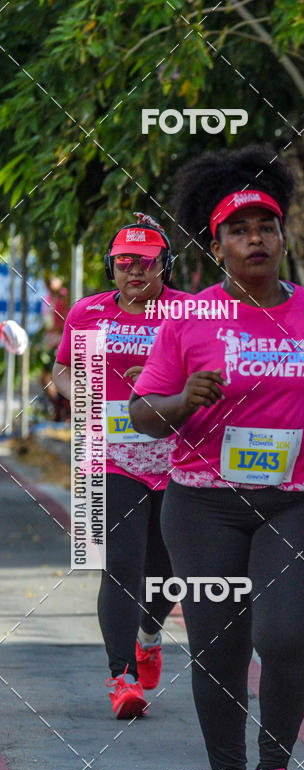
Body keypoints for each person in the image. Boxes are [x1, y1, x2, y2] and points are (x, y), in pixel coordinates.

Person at [130, 146, 304, 770]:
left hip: (296, 501)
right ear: (217, 246)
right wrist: (182, 399)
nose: (255, 239)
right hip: (202, 504)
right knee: (220, 644)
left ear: (283, 235)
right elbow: (145, 414)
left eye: (266, 226)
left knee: (288, 635)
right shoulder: (187, 320)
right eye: (239, 230)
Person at [53, 213, 191, 718]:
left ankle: (150, 633)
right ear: (111, 267)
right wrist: (80, 397)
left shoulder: (191, 313)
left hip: (179, 458)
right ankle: (121, 678)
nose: (135, 272)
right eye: (124, 263)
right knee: (120, 567)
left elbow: (214, 373)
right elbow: (63, 370)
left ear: (166, 267)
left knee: (168, 570)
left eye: (147, 263)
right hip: (109, 457)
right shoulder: (88, 313)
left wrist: (166, 383)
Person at [40, 276, 70, 421]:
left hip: (60, 342)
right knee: (45, 377)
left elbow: (66, 320)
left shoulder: (64, 295)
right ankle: (58, 409)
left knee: (58, 375)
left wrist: (58, 336)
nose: (51, 282)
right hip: (50, 342)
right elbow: (47, 321)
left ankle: (65, 411)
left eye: (54, 278)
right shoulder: (48, 297)